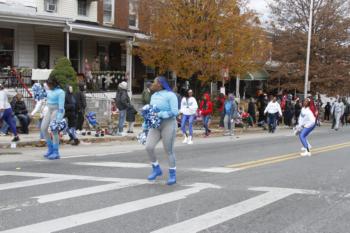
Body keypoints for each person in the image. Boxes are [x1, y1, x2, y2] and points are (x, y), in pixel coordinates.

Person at [145, 76, 179, 185]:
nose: (152, 84)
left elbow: (175, 112)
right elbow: (151, 110)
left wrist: (160, 114)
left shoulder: (171, 95)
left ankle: (172, 174)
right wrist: (146, 124)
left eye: (154, 82)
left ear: (160, 84)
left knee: (168, 150)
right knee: (149, 147)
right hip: (155, 124)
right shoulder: (153, 95)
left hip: (168, 124)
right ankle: (156, 169)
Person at [41, 74, 65, 160]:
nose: (48, 86)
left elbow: (61, 107)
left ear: (53, 84)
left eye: (49, 85)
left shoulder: (61, 92)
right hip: (49, 110)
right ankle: (50, 149)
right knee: (43, 128)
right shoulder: (49, 90)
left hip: (56, 111)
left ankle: (56, 152)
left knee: (54, 131)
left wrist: (58, 119)